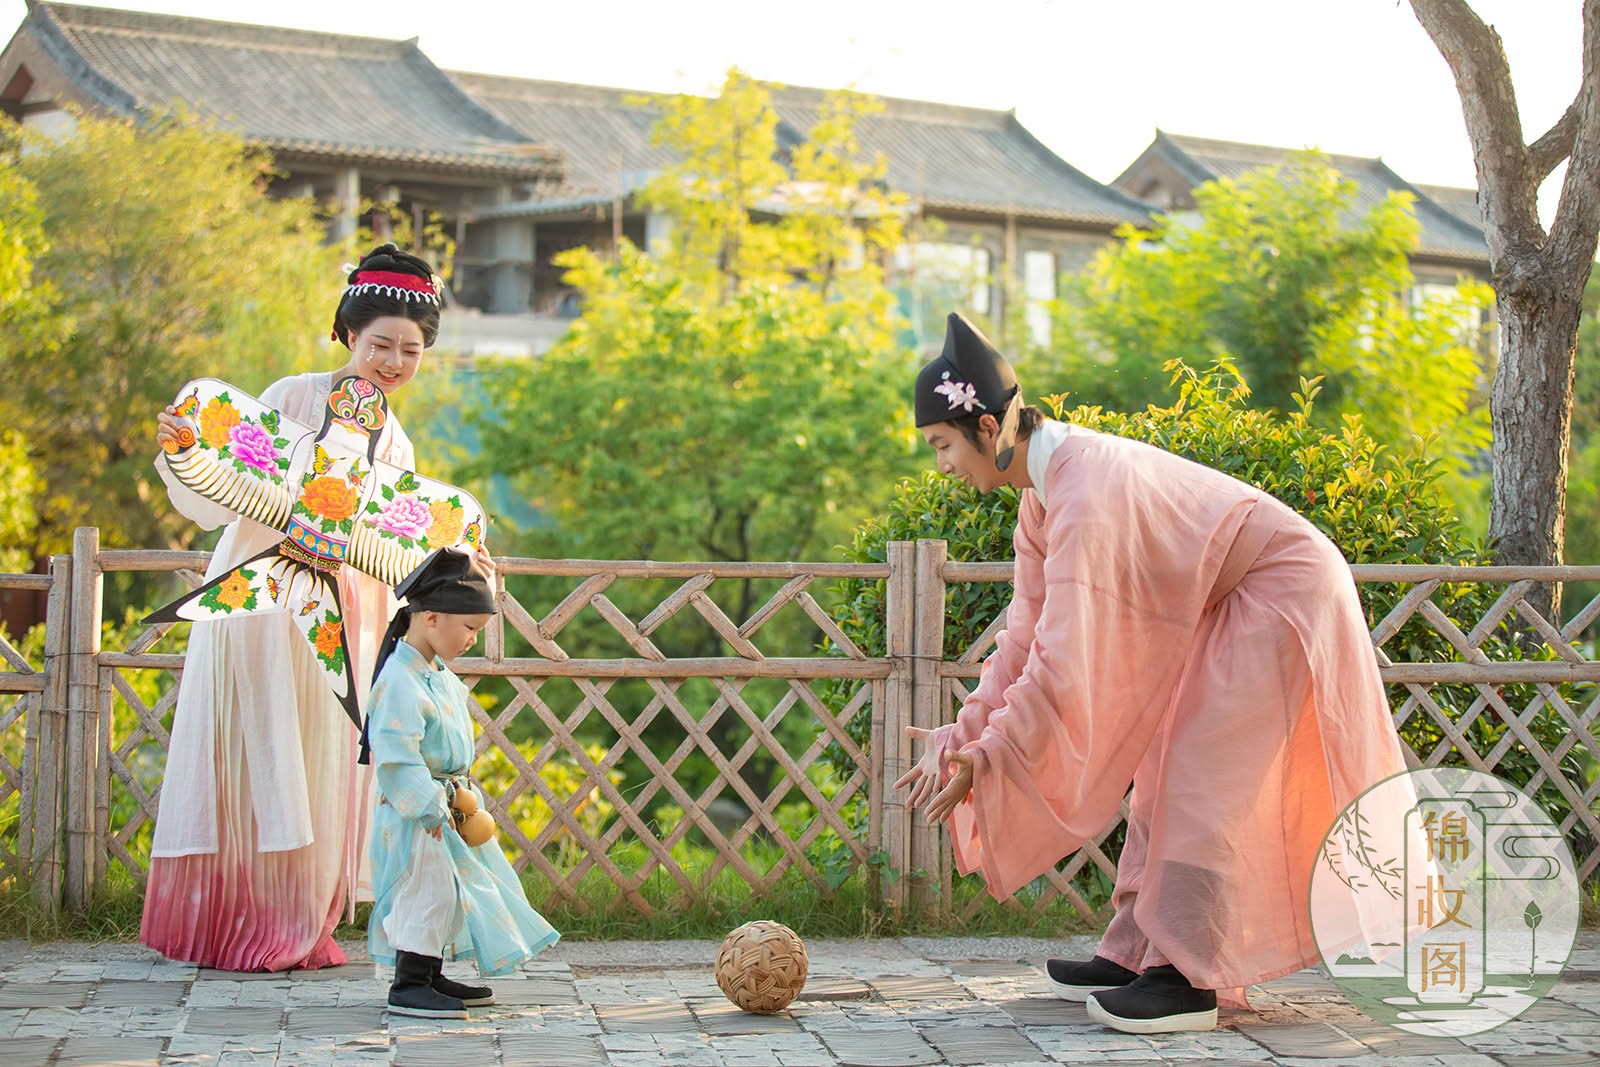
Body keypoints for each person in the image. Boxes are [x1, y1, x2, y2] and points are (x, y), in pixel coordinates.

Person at [894, 313, 1407, 1034]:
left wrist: (992, 752)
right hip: (1230, 595)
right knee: (1161, 763)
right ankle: (1138, 950)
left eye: (943, 445)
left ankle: (1185, 977)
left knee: (1202, 772)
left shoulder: (1083, 492)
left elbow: (1061, 660)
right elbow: (1023, 638)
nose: (942, 465)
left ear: (986, 427)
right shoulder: (1042, 500)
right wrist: (963, 735)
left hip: (1283, 587)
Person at [142, 244, 439, 971]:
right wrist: (185, 451)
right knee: (255, 745)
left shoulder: (395, 441)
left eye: (410, 351)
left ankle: (299, 922)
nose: (393, 362)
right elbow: (218, 491)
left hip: (342, 611)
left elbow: (395, 539)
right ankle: (227, 922)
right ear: (348, 335)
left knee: (319, 757)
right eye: (381, 345)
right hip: (257, 601)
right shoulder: (291, 397)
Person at [362, 547, 560, 1018]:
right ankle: (409, 983)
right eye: (469, 628)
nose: (472, 639)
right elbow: (396, 754)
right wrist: (430, 804)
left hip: (447, 805)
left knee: (450, 889)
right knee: (425, 887)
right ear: (432, 618)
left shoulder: (436, 674)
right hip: (420, 812)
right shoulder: (400, 679)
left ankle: (429, 973)